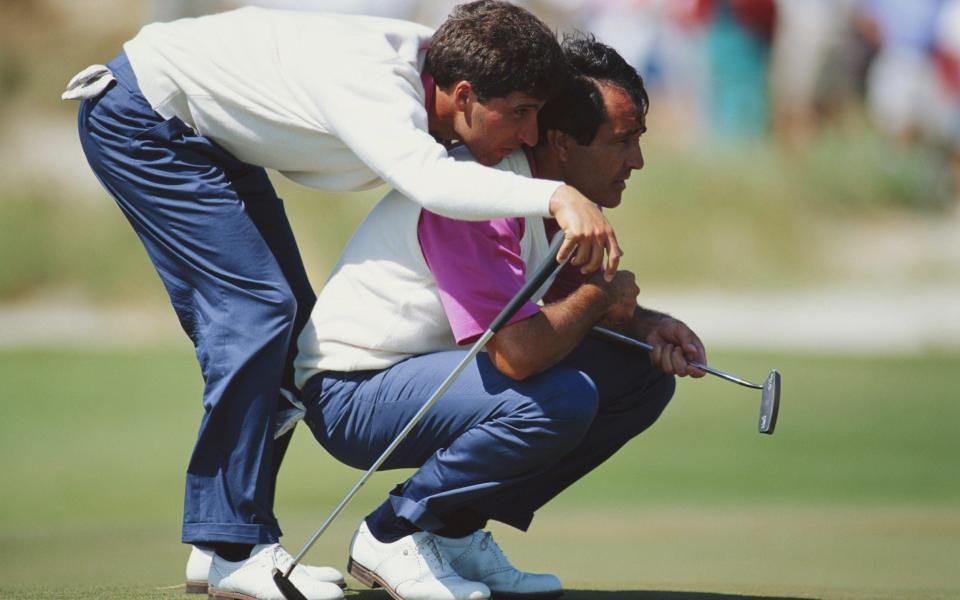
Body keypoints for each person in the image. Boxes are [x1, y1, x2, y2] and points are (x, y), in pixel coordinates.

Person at [63, 2, 624, 599]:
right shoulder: (378, 88)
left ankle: (219, 544)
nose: (531, 134)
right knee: (257, 314)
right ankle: (234, 548)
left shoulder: (441, 73)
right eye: (521, 113)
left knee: (278, 331)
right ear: (463, 95)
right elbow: (433, 184)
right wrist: (558, 193)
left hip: (204, 135)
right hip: (143, 118)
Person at [294, 33, 707, 600]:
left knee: (639, 374)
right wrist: (602, 299)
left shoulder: (555, 202)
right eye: (623, 141)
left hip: (434, 380)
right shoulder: (484, 196)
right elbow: (517, 355)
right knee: (559, 398)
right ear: (562, 144)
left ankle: (453, 532)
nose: (636, 160)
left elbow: (568, 308)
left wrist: (642, 326)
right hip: (352, 392)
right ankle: (393, 534)